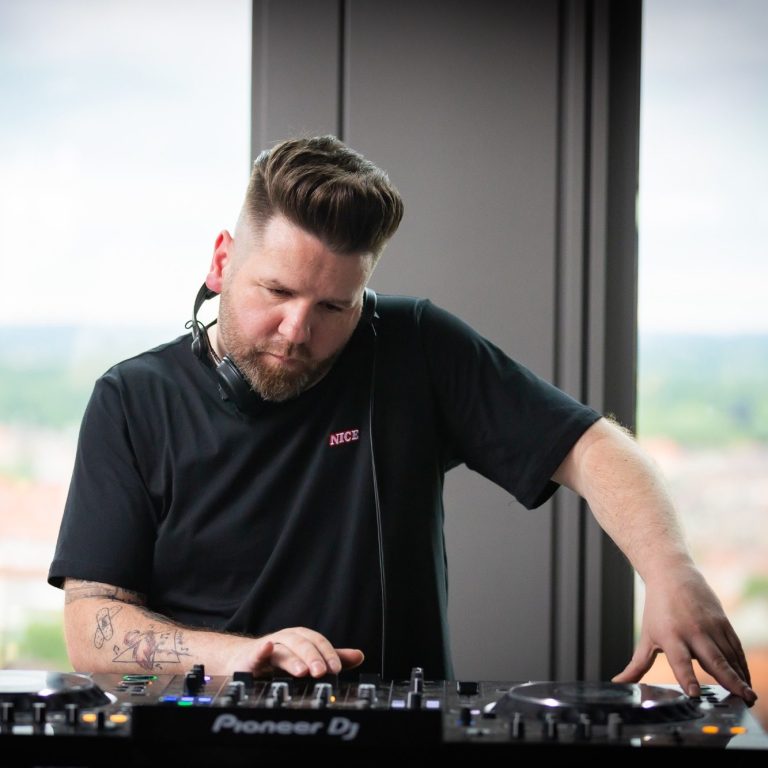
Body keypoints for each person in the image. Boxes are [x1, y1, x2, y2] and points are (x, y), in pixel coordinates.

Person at [48, 135, 756, 706]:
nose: (297, 331)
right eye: (276, 291)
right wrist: (241, 655)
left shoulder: (414, 344)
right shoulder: (132, 399)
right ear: (222, 261)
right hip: (201, 739)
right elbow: (92, 627)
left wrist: (670, 572)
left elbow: (592, 447)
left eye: (334, 307)